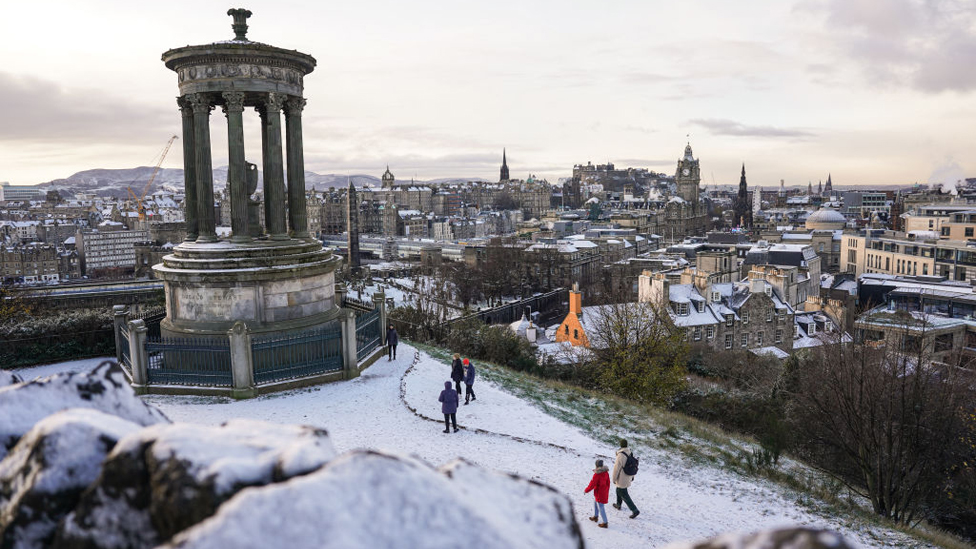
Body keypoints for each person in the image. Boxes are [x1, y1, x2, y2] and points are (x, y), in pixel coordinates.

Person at [611, 439, 640, 519]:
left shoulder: (620, 455)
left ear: (620, 445)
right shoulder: (630, 452)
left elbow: (616, 469)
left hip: (622, 478)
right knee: (618, 490)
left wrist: (613, 478)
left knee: (624, 493)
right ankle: (618, 504)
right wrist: (632, 477)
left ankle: (634, 510)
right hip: (628, 476)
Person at [584, 458, 610, 528]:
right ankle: (595, 516)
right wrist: (606, 490)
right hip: (603, 491)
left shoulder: (597, 474)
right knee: (595, 502)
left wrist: (586, 490)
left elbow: (592, 484)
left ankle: (605, 522)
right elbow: (608, 483)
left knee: (601, 507)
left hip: (599, 492)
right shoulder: (606, 472)